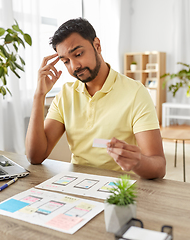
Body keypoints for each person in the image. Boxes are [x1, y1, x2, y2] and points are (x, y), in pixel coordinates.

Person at [25, 18, 166, 179]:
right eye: (66, 61)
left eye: (78, 54)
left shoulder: (135, 93)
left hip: (118, 191)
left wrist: (138, 162)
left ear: (97, 45)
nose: (74, 66)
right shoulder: (65, 94)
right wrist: (39, 95)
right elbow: (35, 156)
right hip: (77, 186)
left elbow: (159, 166)